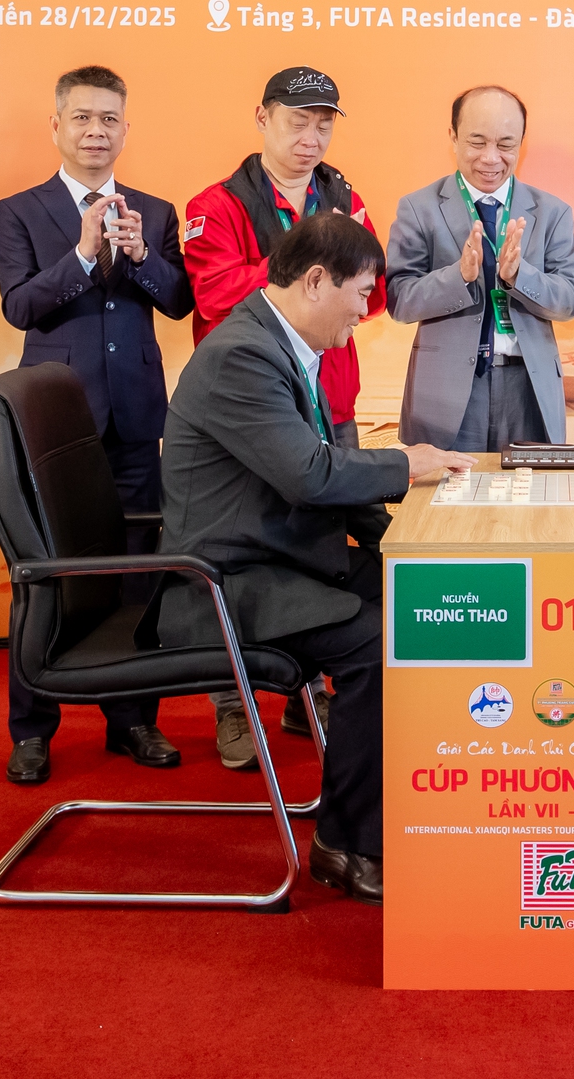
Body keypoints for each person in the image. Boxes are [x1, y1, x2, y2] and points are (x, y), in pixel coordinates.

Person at [158, 209, 476, 904]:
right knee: (382, 645)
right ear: (314, 280)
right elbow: (310, 475)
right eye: (361, 293)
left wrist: (402, 540)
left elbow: (321, 469)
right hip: (226, 583)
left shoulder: (280, 344)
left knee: (427, 594)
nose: (365, 310)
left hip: (281, 555)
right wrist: (408, 465)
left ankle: (409, 795)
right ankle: (348, 843)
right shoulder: (242, 355)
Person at [0, 63, 194, 785]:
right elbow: (20, 306)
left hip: (136, 418)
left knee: (138, 571)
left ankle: (133, 719)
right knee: (44, 574)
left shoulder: (155, 212)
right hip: (56, 425)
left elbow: (179, 300)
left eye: (109, 119)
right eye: (82, 117)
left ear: (125, 129)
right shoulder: (19, 210)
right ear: (57, 126)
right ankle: (32, 729)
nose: (96, 131)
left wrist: (140, 257)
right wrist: (82, 254)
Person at [181, 65, 384, 771]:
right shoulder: (218, 203)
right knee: (251, 538)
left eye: (324, 124)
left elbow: (371, 290)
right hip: (252, 410)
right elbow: (215, 294)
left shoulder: (344, 195)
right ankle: (234, 704)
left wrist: (330, 268)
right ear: (263, 117)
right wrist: (304, 263)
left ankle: (315, 694)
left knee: (324, 539)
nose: (312, 137)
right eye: (298, 121)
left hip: (331, 397)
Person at [386, 86, 574, 451]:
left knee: (529, 489)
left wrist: (519, 276)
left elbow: (571, 300)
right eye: (477, 142)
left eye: (506, 144)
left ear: (522, 142)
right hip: (446, 392)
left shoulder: (552, 212)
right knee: (445, 488)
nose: (491, 158)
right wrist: (459, 277)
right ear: (453, 136)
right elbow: (399, 299)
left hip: (528, 388)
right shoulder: (418, 208)